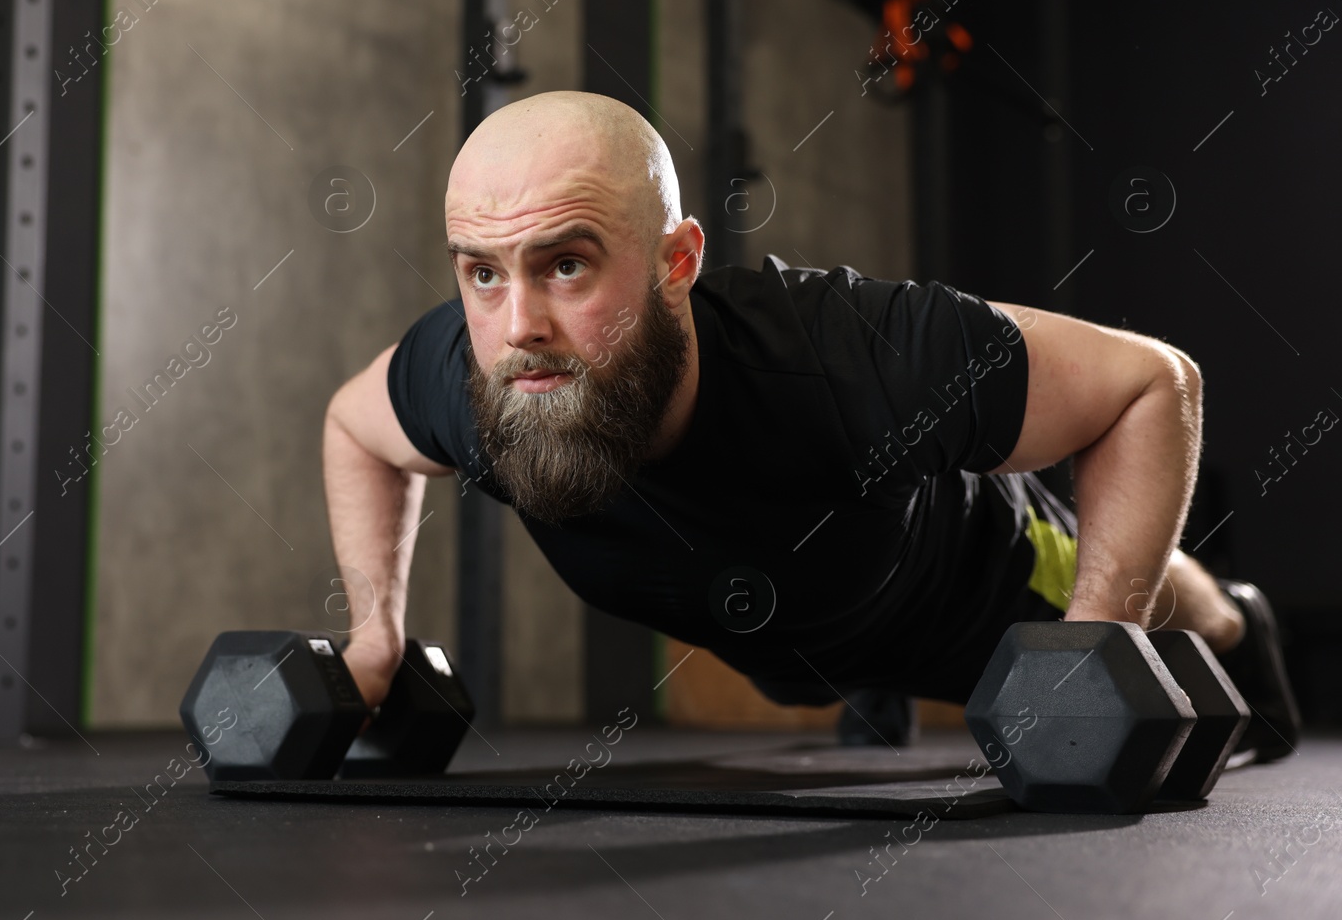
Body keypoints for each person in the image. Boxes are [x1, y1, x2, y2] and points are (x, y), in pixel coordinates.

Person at [322, 90, 1299, 760]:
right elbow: (355, 429)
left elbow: (1151, 382)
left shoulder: (849, 353)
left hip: (965, 587)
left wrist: (1101, 637)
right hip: (800, 635)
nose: (519, 323)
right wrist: (375, 632)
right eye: (481, 271)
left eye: (566, 263)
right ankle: (862, 682)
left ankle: (1232, 618)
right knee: (807, 664)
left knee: (1108, 573)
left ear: (676, 260)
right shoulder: (476, 376)